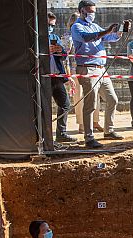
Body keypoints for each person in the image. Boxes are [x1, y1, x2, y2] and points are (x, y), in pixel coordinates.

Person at [71, 0, 123, 149]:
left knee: (112, 99)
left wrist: (119, 32)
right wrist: (106, 31)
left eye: (93, 11)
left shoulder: (95, 26)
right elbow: (88, 38)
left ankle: (109, 130)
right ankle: (89, 137)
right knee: (90, 104)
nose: (92, 14)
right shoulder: (77, 27)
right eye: (89, 12)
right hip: (87, 68)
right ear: (81, 11)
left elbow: (109, 37)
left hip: (101, 69)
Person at [63, 12, 101, 137]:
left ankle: (95, 121)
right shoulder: (68, 37)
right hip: (75, 70)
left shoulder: (88, 33)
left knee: (93, 96)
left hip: (88, 67)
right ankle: (81, 124)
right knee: (79, 98)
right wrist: (68, 74)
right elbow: (65, 57)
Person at [47, 12, 76, 144]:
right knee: (43, 107)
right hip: (43, 77)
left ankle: (61, 133)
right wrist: (45, 51)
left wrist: (60, 51)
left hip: (57, 76)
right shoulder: (36, 38)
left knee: (65, 104)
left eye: (52, 25)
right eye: (48, 25)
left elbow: (64, 55)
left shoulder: (54, 37)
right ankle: (44, 136)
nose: (50, 28)